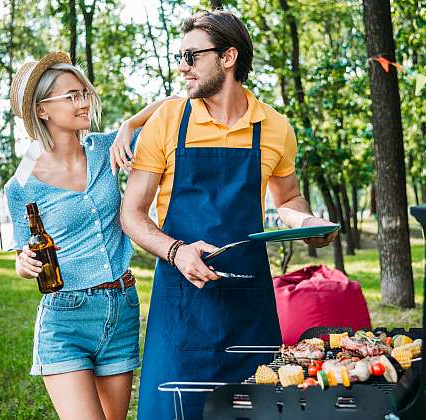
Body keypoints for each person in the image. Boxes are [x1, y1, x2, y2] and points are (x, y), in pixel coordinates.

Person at [120, 10, 337, 419]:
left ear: (228, 57)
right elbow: (131, 214)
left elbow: (288, 198)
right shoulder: (167, 121)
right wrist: (177, 251)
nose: (182, 67)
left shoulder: (274, 127)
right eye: (179, 57)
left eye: (191, 56)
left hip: (248, 308)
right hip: (181, 305)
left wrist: (309, 225)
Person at [5, 51, 172, 420]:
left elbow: (173, 104)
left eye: (84, 93)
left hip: (121, 306)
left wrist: (129, 124)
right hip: (66, 317)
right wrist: (24, 263)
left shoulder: (106, 149)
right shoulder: (21, 187)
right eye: (71, 96)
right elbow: (23, 255)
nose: (83, 102)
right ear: (43, 111)